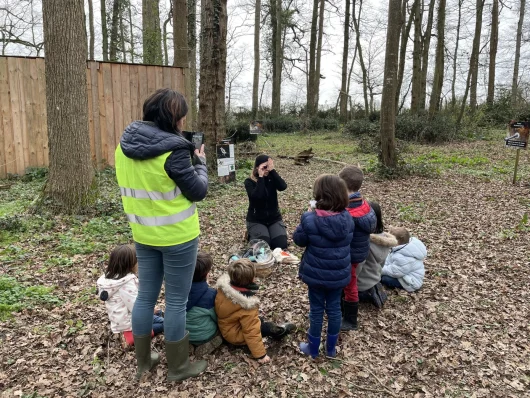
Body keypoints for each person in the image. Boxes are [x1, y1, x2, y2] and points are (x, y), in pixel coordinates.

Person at [115, 88, 208, 381]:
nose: (183, 122)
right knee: (176, 302)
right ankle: (178, 368)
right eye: (182, 116)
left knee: (145, 298)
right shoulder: (175, 151)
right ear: (174, 119)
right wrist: (201, 163)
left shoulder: (123, 146)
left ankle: (145, 361)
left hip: (144, 235)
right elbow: (198, 191)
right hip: (178, 238)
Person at [293, 175, 355, 359]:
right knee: (335, 309)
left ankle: (312, 350)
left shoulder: (309, 218)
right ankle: (330, 349)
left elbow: (299, 240)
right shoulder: (348, 219)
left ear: (319, 195)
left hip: (316, 274)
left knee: (317, 309)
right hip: (339, 273)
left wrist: (305, 218)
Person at [215, 259, 295, 363]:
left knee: (257, 320)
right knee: (264, 326)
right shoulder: (246, 305)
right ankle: (280, 331)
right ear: (252, 279)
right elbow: (251, 332)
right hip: (235, 335)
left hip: (227, 327)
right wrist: (260, 355)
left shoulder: (223, 289)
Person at [97, 244, 164, 342]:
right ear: (130, 264)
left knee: (159, 313)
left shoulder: (110, 279)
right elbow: (137, 307)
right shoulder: (126, 283)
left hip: (119, 320)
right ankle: (131, 337)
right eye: (137, 261)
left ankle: (128, 334)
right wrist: (150, 310)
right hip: (129, 323)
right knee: (164, 324)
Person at [338, 166, 376, 331]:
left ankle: (350, 320)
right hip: (359, 252)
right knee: (348, 282)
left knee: (350, 285)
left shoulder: (349, 211)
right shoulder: (364, 204)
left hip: (350, 255)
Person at [356, 202, 397, 308]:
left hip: (360, 283)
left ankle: (364, 295)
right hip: (375, 277)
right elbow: (382, 263)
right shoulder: (385, 240)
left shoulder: (364, 241)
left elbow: (358, 266)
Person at [244, 154, 288, 249]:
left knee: (280, 244)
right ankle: (251, 234)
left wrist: (273, 171)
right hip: (256, 219)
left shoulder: (272, 177)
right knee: (263, 246)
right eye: (265, 166)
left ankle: (271, 233)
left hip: (273, 218)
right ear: (257, 167)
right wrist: (261, 177)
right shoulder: (249, 182)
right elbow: (257, 197)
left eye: (269, 166)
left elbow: (283, 187)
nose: (267, 169)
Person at [186, 251, 223, 357]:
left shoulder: (177, 292)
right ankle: (209, 343)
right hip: (204, 335)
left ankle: (188, 345)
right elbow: (216, 316)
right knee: (221, 333)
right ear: (207, 274)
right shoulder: (210, 295)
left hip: (181, 334)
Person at [381, 227, 427, 292]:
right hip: (404, 274)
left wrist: (379, 270)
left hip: (411, 282)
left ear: (398, 241)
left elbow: (395, 271)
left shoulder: (404, 257)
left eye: (390, 239)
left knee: (385, 279)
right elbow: (390, 259)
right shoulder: (402, 248)